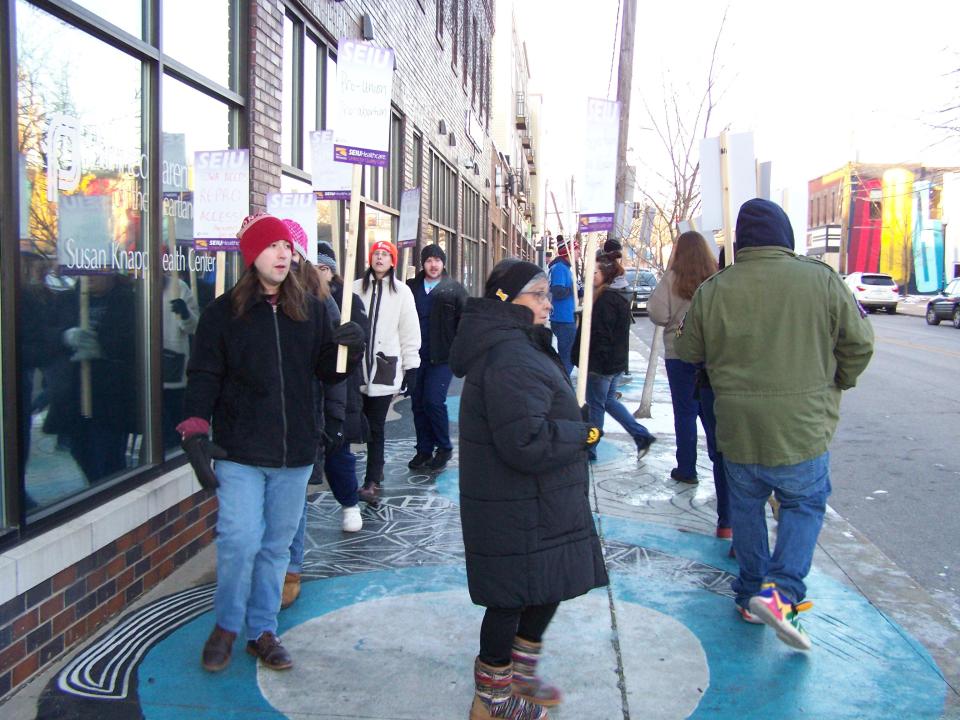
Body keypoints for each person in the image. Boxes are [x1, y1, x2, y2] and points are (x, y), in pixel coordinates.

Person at [675, 198, 874, 650]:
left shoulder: (714, 289)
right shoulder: (820, 279)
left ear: (741, 242)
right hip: (802, 426)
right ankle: (782, 593)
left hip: (739, 429)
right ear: (785, 235)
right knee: (804, 504)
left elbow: (687, 351)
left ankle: (749, 594)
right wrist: (838, 380)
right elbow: (860, 344)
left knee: (746, 508)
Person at [178, 213, 365, 673]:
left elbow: (329, 372)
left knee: (276, 548)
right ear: (252, 255)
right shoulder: (224, 315)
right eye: (273, 246)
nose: (284, 254)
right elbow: (204, 375)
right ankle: (226, 624)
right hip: (240, 451)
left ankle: (261, 630)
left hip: (295, 452)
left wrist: (348, 348)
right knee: (239, 539)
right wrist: (195, 428)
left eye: (288, 246)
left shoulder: (312, 310)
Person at [450, 258, 608, 720]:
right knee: (511, 600)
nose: (548, 303)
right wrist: (581, 433)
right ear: (508, 300)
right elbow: (525, 440)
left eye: (548, 294)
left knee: (544, 587)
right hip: (517, 503)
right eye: (538, 294)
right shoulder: (510, 355)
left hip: (534, 501)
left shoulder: (519, 343)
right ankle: (493, 701)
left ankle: (517, 679)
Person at [281, 224, 369, 609]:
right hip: (263, 420)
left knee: (299, 491)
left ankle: (290, 568)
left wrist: (334, 418)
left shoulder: (323, 303)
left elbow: (335, 368)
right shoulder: (246, 302)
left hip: (307, 413)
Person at [648, 231, 731, 534]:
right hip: (710, 357)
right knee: (711, 416)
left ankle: (687, 468)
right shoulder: (717, 277)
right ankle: (717, 463)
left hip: (678, 353)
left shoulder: (672, 278)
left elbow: (657, 313)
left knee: (684, 413)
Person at [354, 239, 421, 504]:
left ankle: (372, 480)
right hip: (356, 369)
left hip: (384, 368)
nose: (379, 258)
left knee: (376, 427)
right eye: (376, 254)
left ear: (393, 261)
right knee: (353, 426)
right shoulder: (355, 288)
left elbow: (409, 331)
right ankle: (348, 478)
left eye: (385, 254)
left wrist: (411, 366)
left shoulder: (402, 293)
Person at [572, 252, 656, 462]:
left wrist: (593, 364)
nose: (591, 275)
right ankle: (641, 435)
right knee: (607, 401)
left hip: (602, 365)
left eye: (595, 271)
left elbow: (602, 335)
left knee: (595, 406)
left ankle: (591, 448)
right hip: (613, 363)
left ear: (606, 275)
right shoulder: (611, 295)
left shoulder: (606, 300)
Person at [405, 243, 468, 471]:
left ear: (443, 263)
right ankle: (423, 449)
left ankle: (444, 447)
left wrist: (462, 350)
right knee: (417, 403)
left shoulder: (454, 289)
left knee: (433, 400)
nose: (433, 265)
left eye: (438, 260)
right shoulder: (410, 288)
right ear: (423, 263)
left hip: (442, 357)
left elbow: (466, 323)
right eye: (429, 260)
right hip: (414, 356)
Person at [547, 235, 576, 375]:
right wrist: (574, 288)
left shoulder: (565, 268)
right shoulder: (560, 268)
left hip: (565, 317)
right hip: (563, 318)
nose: (578, 253)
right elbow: (558, 291)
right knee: (568, 356)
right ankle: (562, 385)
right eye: (576, 250)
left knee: (567, 354)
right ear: (568, 252)